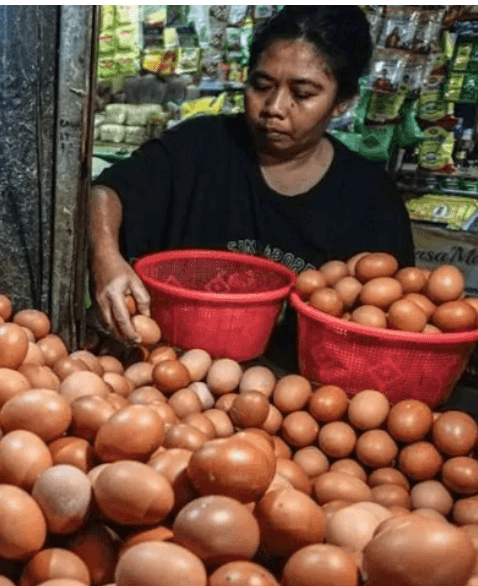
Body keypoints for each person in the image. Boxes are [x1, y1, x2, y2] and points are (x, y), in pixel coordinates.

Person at [89, 6, 415, 347]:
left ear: (342, 102)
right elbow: (107, 192)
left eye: (302, 94)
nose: (274, 107)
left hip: (304, 374)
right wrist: (106, 258)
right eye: (261, 85)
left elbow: (396, 310)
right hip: (172, 356)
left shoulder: (370, 199)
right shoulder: (199, 146)